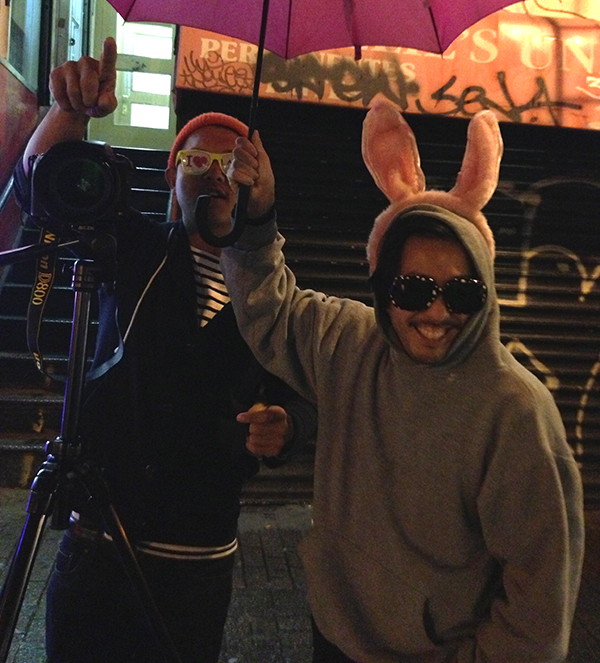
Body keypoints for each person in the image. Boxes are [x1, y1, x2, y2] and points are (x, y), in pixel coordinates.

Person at [221, 95, 585, 663]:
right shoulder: (349, 343)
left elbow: (540, 600)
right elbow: (269, 310)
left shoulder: (516, 410)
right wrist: (256, 218)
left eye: (462, 292)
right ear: (384, 287)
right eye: (414, 289)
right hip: (334, 638)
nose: (437, 312)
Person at [14, 37, 317, 663]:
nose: (215, 175)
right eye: (197, 161)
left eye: (231, 163)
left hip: (197, 560)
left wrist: (287, 426)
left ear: (257, 183)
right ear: (171, 176)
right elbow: (40, 192)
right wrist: (68, 114)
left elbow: (307, 396)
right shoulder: (132, 248)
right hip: (97, 543)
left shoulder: (274, 294)